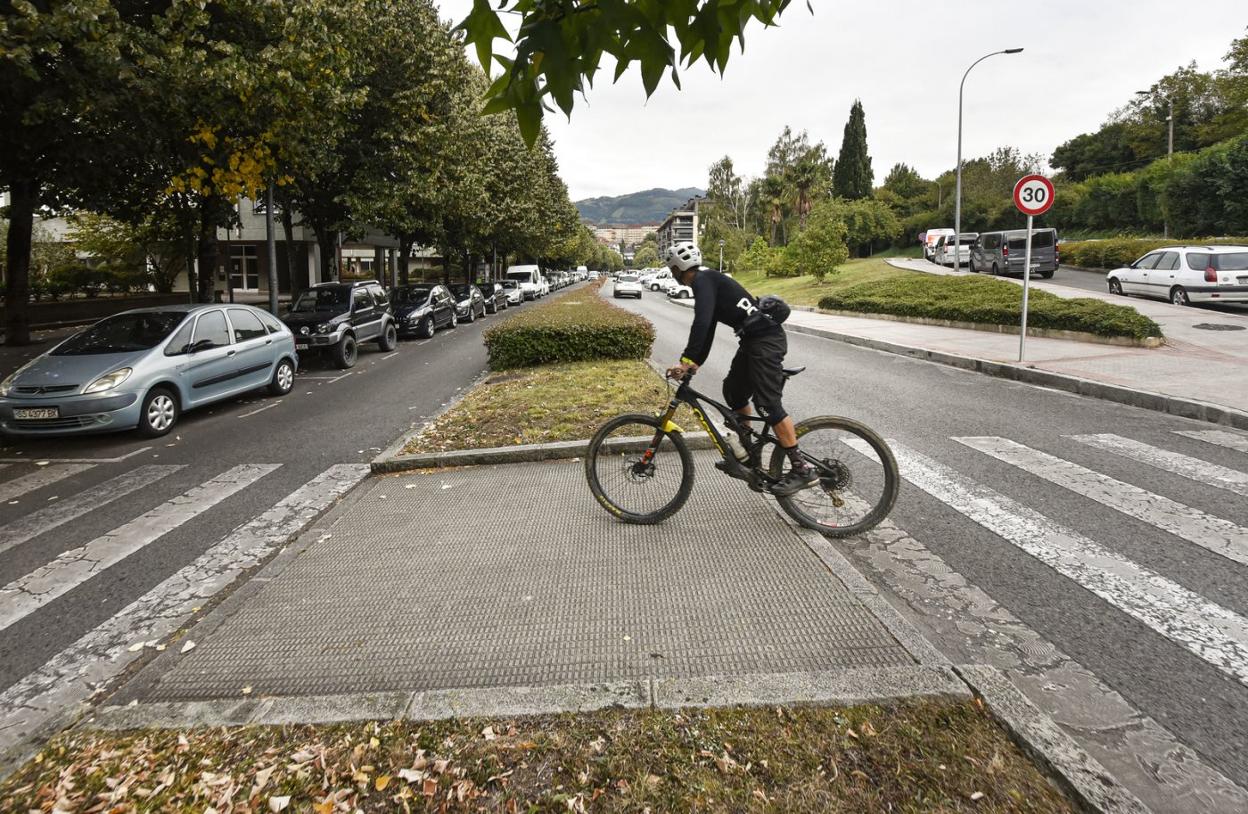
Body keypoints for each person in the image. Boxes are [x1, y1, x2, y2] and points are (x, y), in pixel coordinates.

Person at [663, 241, 818, 496]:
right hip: (753, 341)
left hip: (766, 342)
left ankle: (802, 469)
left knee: (767, 404)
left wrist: (686, 360)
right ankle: (748, 452)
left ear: (678, 268)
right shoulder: (707, 281)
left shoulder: (704, 281)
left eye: (672, 270)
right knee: (733, 391)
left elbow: (701, 324)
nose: (672, 274)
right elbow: (709, 327)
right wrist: (693, 363)